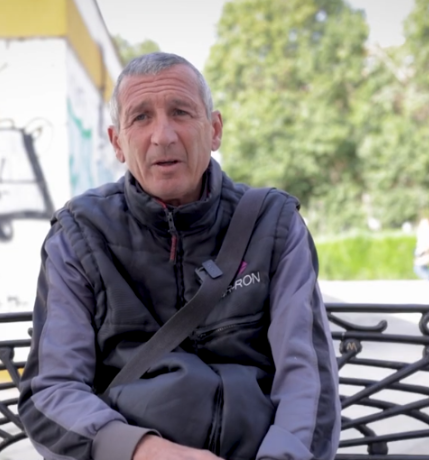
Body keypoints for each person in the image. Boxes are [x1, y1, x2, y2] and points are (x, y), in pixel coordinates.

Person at [18, 52, 341, 460]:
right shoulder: (79, 234)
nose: (163, 136)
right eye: (141, 117)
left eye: (181, 112)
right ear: (117, 143)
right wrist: (144, 451)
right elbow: (51, 392)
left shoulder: (273, 224)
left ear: (215, 129)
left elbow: (308, 382)